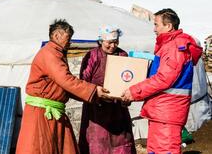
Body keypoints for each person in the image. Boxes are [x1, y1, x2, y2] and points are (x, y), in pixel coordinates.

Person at [15, 19, 110, 154]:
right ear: (56, 36)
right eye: (68, 38)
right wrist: (94, 90)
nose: (70, 42)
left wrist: (96, 95)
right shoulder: (49, 54)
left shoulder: (57, 54)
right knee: (40, 148)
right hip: (41, 113)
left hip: (55, 112)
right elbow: (65, 80)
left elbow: (64, 85)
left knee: (63, 148)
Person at [121, 8, 203, 154]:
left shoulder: (175, 48)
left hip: (167, 112)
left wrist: (134, 91)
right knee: (156, 150)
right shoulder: (168, 46)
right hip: (162, 111)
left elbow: (164, 78)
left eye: (156, 24)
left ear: (169, 26)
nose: (154, 29)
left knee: (164, 150)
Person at [78, 25, 136, 154]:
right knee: (98, 143)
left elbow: (129, 78)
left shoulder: (122, 54)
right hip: (96, 108)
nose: (113, 46)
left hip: (118, 108)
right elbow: (83, 81)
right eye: (109, 43)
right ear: (101, 41)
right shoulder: (92, 56)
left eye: (116, 42)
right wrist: (96, 92)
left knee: (121, 143)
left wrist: (127, 97)